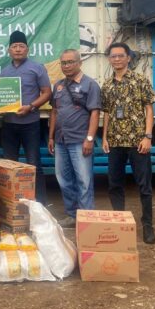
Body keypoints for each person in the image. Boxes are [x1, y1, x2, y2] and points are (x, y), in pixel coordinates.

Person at [101, 42, 155, 244]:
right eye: (113, 56)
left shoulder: (140, 80)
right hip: (115, 142)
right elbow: (106, 113)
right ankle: (119, 223)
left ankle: (148, 226)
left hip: (137, 142)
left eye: (120, 56)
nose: (116, 59)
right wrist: (105, 137)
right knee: (114, 185)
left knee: (144, 186)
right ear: (109, 59)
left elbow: (149, 109)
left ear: (128, 58)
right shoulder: (107, 85)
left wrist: (148, 136)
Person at [48, 49, 101, 228]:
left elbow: (95, 113)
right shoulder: (58, 86)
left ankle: (86, 219)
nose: (67, 66)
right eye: (63, 63)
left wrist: (90, 138)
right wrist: (51, 137)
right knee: (63, 179)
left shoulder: (90, 85)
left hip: (80, 141)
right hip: (61, 140)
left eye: (70, 62)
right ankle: (71, 215)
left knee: (84, 181)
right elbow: (54, 112)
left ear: (80, 63)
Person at [0, 31, 51, 203]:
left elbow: (47, 93)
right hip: (9, 125)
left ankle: (41, 203)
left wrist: (31, 107)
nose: (18, 49)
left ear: (27, 49)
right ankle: (11, 202)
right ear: (9, 50)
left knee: (33, 163)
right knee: (9, 164)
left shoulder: (37, 68)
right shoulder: (5, 71)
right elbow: (1, 97)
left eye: (21, 46)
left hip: (30, 124)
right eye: (14, 46)